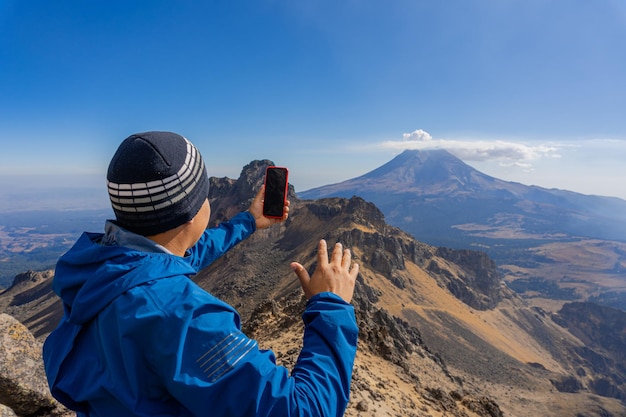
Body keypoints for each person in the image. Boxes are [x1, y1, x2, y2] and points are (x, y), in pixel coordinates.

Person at [42, 131, 360, 417]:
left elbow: (176, 256)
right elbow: (304, 410)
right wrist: (331, 305)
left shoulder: (95, 267)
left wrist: (248, 220)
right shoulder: (184, 318)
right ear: (192, 213)